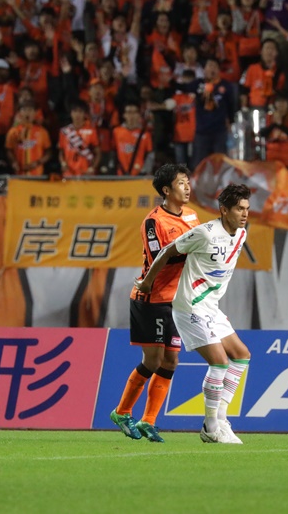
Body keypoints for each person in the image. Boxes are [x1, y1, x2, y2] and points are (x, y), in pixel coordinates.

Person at [135, 183, 252, 444]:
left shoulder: (241, 234)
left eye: (246, 208)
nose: (244, 214)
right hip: (190, 306)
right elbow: (167, 251)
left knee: (241, 355)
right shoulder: (205, 233)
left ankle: (220, 418)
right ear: (224, 210)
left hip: (211, 307)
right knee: (219, 362)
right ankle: (211, 427)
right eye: (238, 209)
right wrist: (147, 282)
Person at [110, 163, 200, 443]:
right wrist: (190, 250)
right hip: (152, 299)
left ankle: (148, 420)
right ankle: (122, 412)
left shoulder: (192, 216)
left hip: (177, 301)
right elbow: (158, 258)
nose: (187, 187)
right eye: (181, 183)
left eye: (188, 182)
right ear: (166, 190)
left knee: (171, 361)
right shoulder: (154, 222)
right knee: (153, 360)